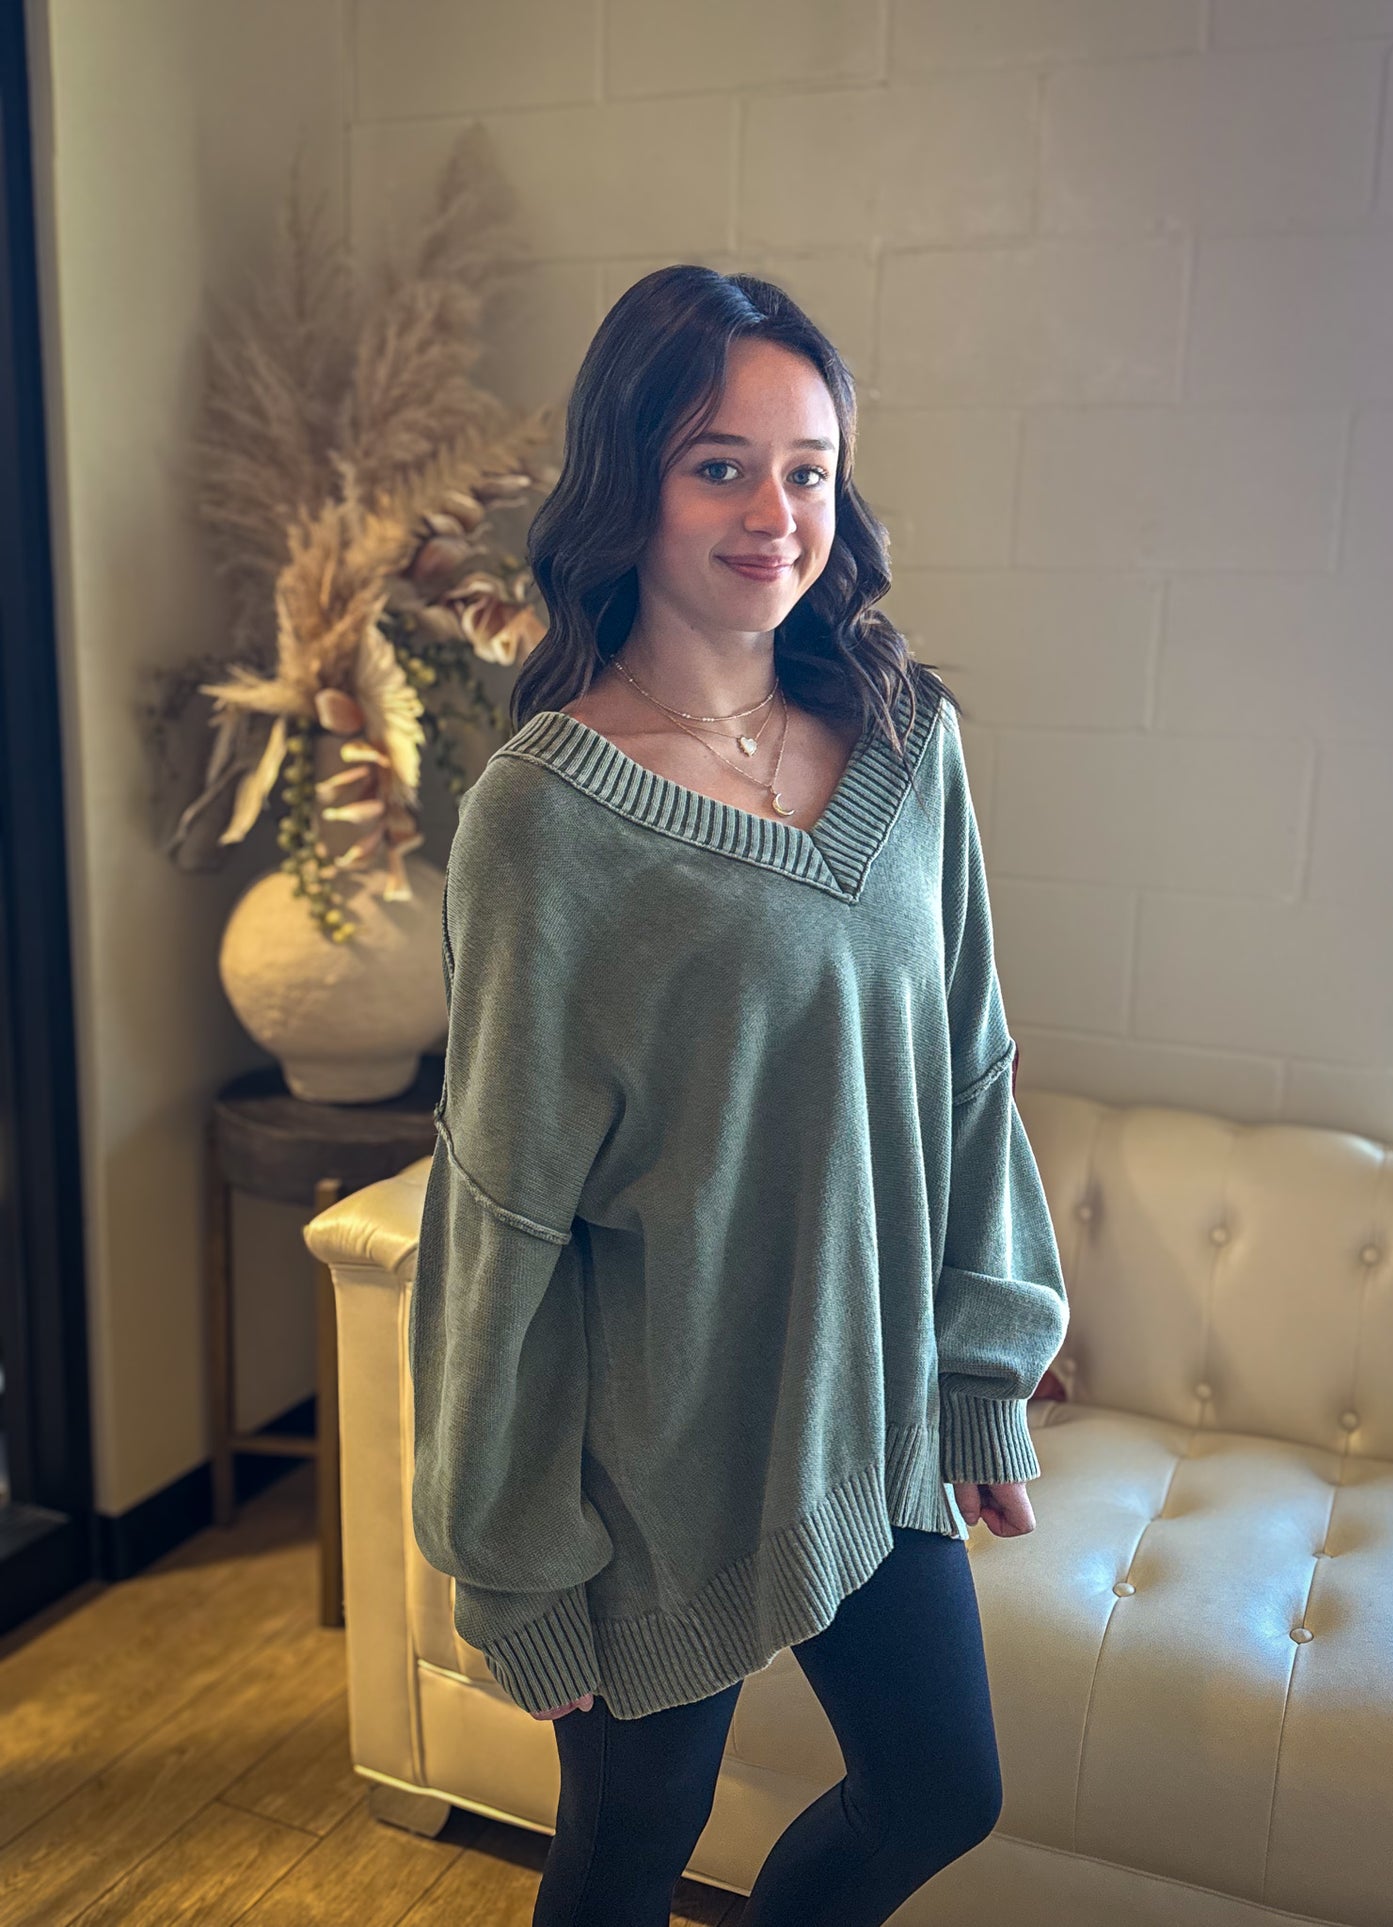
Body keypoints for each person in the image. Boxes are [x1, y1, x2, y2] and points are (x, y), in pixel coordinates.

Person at [407, 264, 1070, 1927]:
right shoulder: (544, 823)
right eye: (719, 463)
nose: (775, 514)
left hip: (866, 1413)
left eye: (808, 466)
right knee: (628, 1858)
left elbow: (971, 1059)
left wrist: (983, 1359)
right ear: (626, 482)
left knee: (940, 1793)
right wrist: (512, 1553)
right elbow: (500, 1212)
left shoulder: (908, 738)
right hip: (646, 1465)